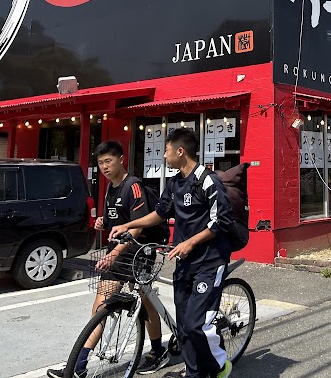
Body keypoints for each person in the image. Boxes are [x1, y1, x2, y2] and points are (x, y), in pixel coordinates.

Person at [109, 127, 235, 378]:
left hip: (210, 261)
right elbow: (159, 214)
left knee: (198, 324)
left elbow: (222, 220)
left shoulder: (207, 180)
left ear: (180, 151)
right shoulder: (176, 183)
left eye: (166, 151)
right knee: (185, 325)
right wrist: (129, 224)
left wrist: (190, 242)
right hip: (185, 263)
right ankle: (193, 372)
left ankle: (221, 366)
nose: (164, 156)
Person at [47, 141, 169, 378]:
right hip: (117, 254)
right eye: (100, 162)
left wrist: (113, 254)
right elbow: (118, 222)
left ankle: (157, 351)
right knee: (101, 306)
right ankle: (79, 365)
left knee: (144, 304)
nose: (103, 166)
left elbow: (135, 228)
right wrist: (104, 221)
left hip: (138, 253)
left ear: (121, 160)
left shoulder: (132, 186)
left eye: (108, 161)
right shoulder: (110, 189)